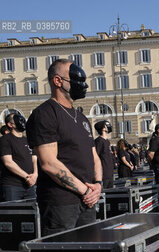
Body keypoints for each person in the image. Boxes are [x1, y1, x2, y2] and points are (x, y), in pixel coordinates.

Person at [25, 59, 102, 236]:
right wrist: (85, 190)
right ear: (58, 81)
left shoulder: (81, 117)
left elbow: (93, 155)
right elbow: (49, 163)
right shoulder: (44, 114)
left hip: (87, 200)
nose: (81, 84)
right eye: (75, 79)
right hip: (61, 203)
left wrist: (97, 185)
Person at [0, 113, 37, 201]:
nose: (21, 120)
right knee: (14, 213)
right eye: (17, 119)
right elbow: (8, 162)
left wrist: (35, 174)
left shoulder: (27, 140)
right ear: (10, 124)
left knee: (32, 213)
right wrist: (27, 177)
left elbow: (34, 157)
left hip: (30, 186)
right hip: (12, 186)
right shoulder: (5, 139)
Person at [94, 120, 114, 189]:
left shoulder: (107, 141)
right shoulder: (99, 141)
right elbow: (95, 156)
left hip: (110, 173)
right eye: (106, 125)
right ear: (103, 128)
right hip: (103, 174)